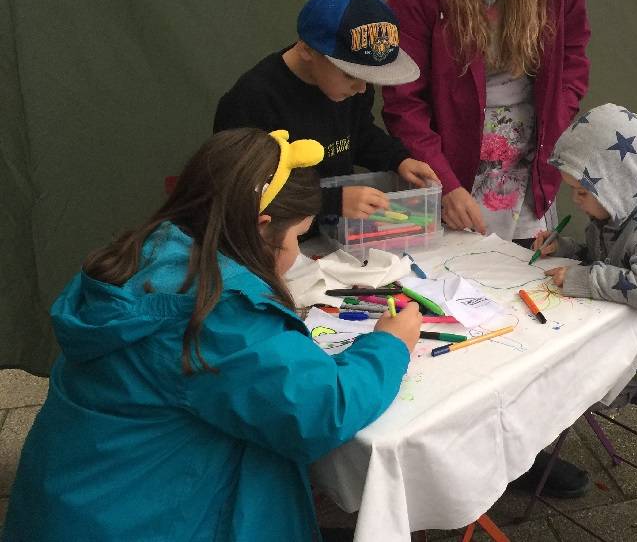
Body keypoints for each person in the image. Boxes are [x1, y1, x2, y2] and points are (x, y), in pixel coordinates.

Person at [2, 128, 421, 542]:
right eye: (297, 237)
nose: (296, 255)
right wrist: (390, 344)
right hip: (135, 522)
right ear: (261, 227)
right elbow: (322, 411)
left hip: (75, 505)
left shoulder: (151, 251)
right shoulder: (216, 313)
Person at [382, 0, 591, 242]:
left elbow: (573, 53)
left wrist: (556, 122)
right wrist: (444, 183)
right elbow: (402, 96)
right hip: (450, 175)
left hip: (529, 175)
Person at [214, 0, 437, 222]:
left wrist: (398, 159)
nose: (362, 88)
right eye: (350, 74)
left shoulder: (349, 88)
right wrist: (331, 200)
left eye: (369, 77)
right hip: (276, 239)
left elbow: (358, 134)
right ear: (307, 50)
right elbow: (246, 188)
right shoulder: (252, 100)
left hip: (332, 233)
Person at [535, 103, 637, 402]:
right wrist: (564, 248)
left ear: (616, 184)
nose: (575, 200)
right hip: (622, 330)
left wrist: (586, 279)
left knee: (556, 381)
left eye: (583, 192)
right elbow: (609, 259)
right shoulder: (619, 207)